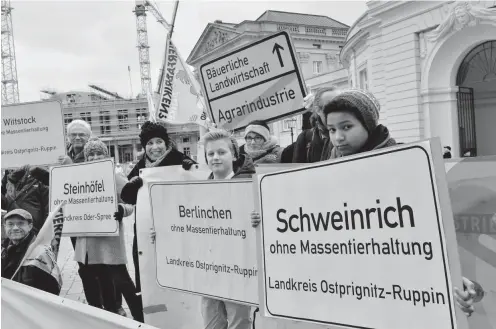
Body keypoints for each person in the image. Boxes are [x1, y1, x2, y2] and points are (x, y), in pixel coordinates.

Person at [174, 129, 254, 329]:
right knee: (211, 323)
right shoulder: (200, 190)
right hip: (208, 269)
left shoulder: (249, 186)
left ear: (234, 155)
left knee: (239, 322)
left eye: (221, 152)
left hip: (237, 269)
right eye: (210, 154)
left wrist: (257, 219)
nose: (215, 158)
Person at [120, 120, 195, 314]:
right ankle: (154, 316)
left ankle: (183, 314)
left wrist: (192, 171)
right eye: (150, 143)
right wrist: (130, 187)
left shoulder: (180, 160)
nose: (155, 147)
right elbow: (128, 198)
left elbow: (200, 184)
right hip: (147, 232)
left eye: (159, 141)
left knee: (178, 273)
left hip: (178, 231)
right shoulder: (139, 168)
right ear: (144, 147)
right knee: (148, 275)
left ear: (166, 142)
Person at [71, 137, 143, 320]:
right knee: (93, 283)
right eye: (91, 154)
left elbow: (131, 203)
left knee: (122, 281)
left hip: (109, 241)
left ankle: (140, 318)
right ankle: (99, 317)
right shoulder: (77, 178)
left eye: (99, 153)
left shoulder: (115, 177)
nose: (95, 157)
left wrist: (121, 209)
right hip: (86, 241)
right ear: (86, 158)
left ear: (106, 155)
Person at [1, 209, 62, 295]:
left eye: (20, 223)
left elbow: (53, 289)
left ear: (30, 226)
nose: (15, 228)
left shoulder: (41, 253)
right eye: (10, 224)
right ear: (5, 227)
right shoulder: (3, 249)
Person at [292, 86, 340, 163]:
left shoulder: (348, 133)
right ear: (318, 110)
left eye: (341, 104)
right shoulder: (306, 138)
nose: (336, 111)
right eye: (329, 107)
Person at [1, 165, 49, 233]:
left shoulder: (40, 175)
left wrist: (45, 232)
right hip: (13, 228)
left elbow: (49, 207)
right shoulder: (9, 174)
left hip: (33, 230)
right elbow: (5, 203)